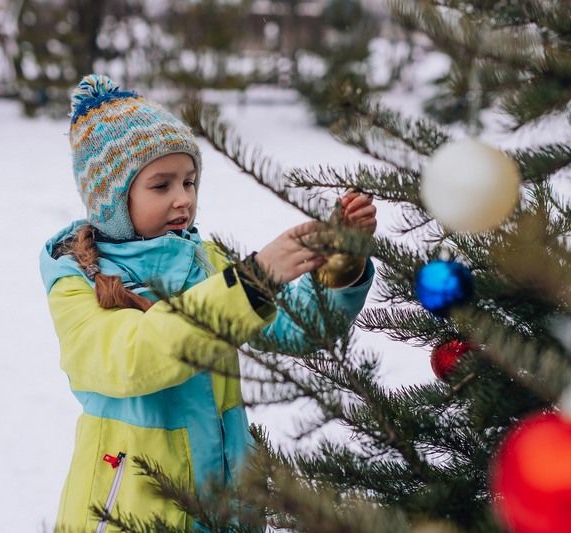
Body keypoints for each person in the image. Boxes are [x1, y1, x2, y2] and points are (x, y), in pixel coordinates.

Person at [39, 74, 377, 531]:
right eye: (161, 186)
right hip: (131, 512)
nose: (183, 199)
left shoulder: (205, 262)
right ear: (112, 200)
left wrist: (340, 264)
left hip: (227, 505)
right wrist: (253, 282)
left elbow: (296, 330)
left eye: (190, 181)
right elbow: (134, 357)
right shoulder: (75, 282)